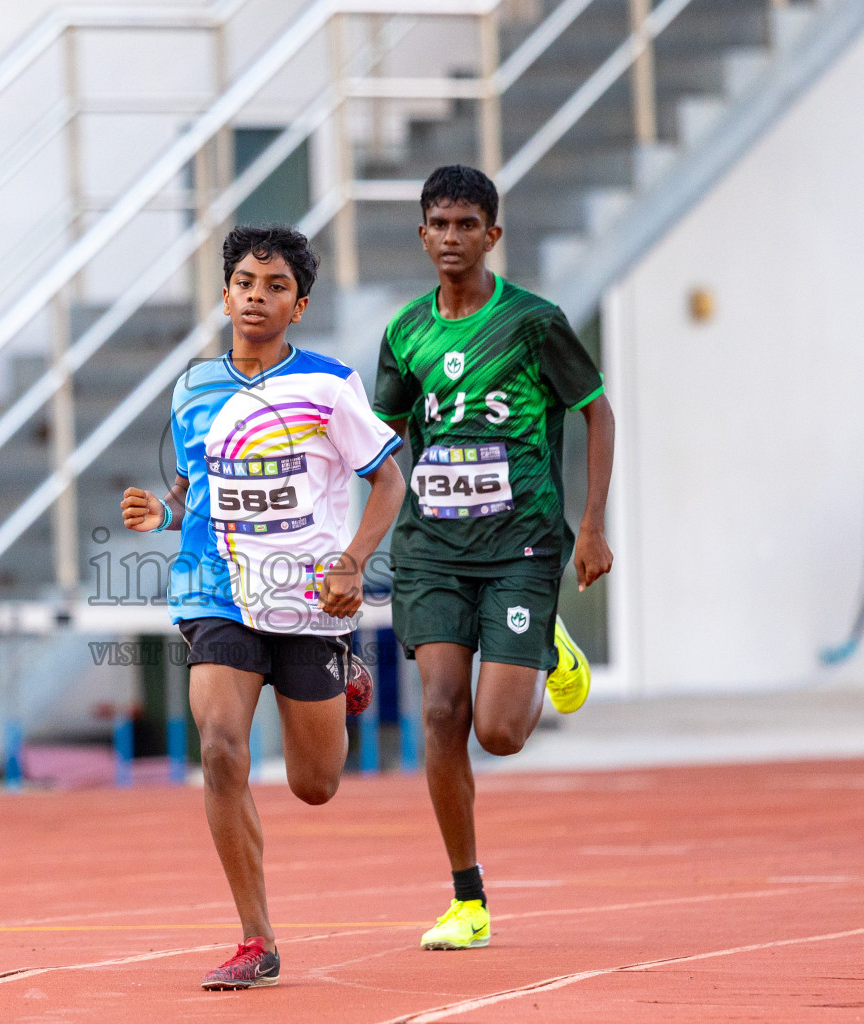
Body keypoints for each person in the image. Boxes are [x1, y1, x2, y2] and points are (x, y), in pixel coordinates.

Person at [121, 224, 406, 990]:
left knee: (316, 784)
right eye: (245, 282)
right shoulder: (192, 387)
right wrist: (165, 512)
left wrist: (353, 560)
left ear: (299, 304)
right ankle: (257, 938)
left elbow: (389, 480)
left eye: (275, 286)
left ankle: (341, 673)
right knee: (220, 746)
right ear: (225, 295)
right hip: (214, 589)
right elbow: (196, 484)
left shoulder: (329, 384)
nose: (257, 296)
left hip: (309, 596)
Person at [372, 165, 615, 951]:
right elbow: (385, 439)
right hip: (434, 548)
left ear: (492, 235)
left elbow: (596, 413)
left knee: (501, 734)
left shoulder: (534, 323)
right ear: (421, 235)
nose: (451, 238)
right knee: (441, 712)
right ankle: (466, 899)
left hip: (523, 543)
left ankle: (546, 641)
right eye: (438, 225)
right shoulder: (405, 332)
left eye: (465, 225)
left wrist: (591, 524)